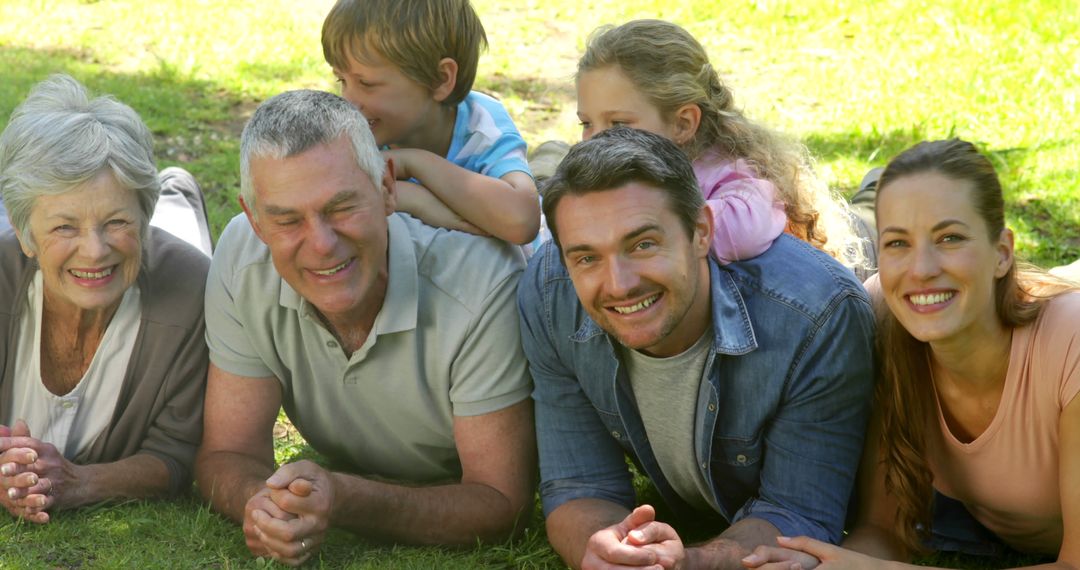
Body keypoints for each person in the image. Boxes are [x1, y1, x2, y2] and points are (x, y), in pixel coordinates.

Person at [195, 89, 536, 566]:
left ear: (387, 188)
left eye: (341, 208)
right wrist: (262, 505)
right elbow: (227, 453)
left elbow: (502, 503)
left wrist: (344, 498)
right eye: (287, 219)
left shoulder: (481, 284)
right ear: (254, 220)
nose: (322, 244)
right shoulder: (241, 256)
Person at [517, 127, 876, 569]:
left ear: (702, 230)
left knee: (868, 229)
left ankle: (873, 193)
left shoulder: (819, 315)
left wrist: (688, 562)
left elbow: (798, 514)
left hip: (851, 261)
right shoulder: (552, 290)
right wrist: (607, 553)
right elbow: (578, 485)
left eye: (643, 244)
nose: (619, 284)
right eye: (588, 257)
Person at [743, 139, 1080, 569]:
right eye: (898, 243)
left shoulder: (1070, 346)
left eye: (950, 237)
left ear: (1002, 253)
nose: (921, 269)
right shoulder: (884, 315)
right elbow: (883, 531)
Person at [0, 74, 210, 523]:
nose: (94, 249)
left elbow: (175, 455)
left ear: (141, 216)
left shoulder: (195, 293)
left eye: (117, 220)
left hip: (167, 251)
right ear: (25, 236)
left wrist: (79, 483)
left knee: (181, 236)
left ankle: (174, 195)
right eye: (64, 227)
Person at [574, 19, 871, 272]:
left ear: (682, 124)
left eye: (618, 124)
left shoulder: (730, 173)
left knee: (873, 213)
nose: (598, 140)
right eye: (587, 123)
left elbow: (742, 231)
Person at [321, 0, 540, 245]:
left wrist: (414, 162)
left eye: (367, 84)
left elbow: (522, 222)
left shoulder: (480, 126)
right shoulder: (357, 129)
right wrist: (413, 198)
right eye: (341, 80)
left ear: (439, 79)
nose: (349, 102)